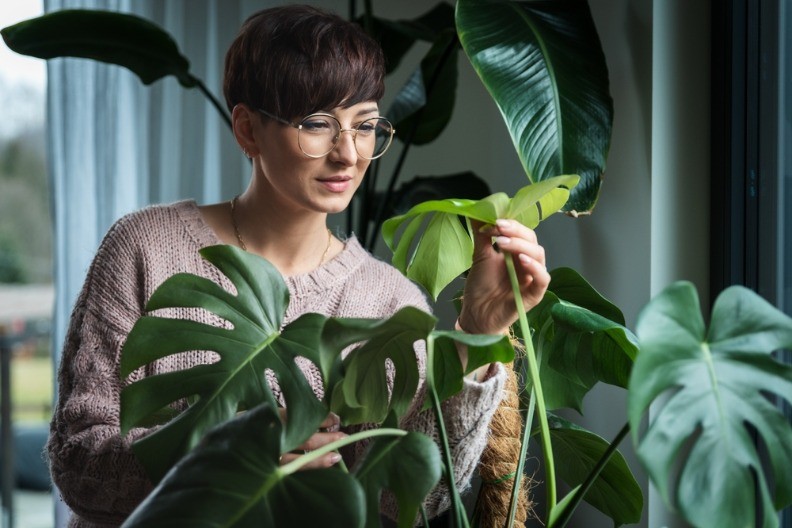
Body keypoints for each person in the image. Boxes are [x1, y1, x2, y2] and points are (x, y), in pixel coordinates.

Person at [47, 5, 550, 527]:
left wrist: (478, 330)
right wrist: (229, 456)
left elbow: (413, 499)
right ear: (247, 129)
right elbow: (78, 462)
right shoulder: (144, 248)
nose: (348, 154)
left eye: (365, 126)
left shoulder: (389, 303)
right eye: (317, 124)